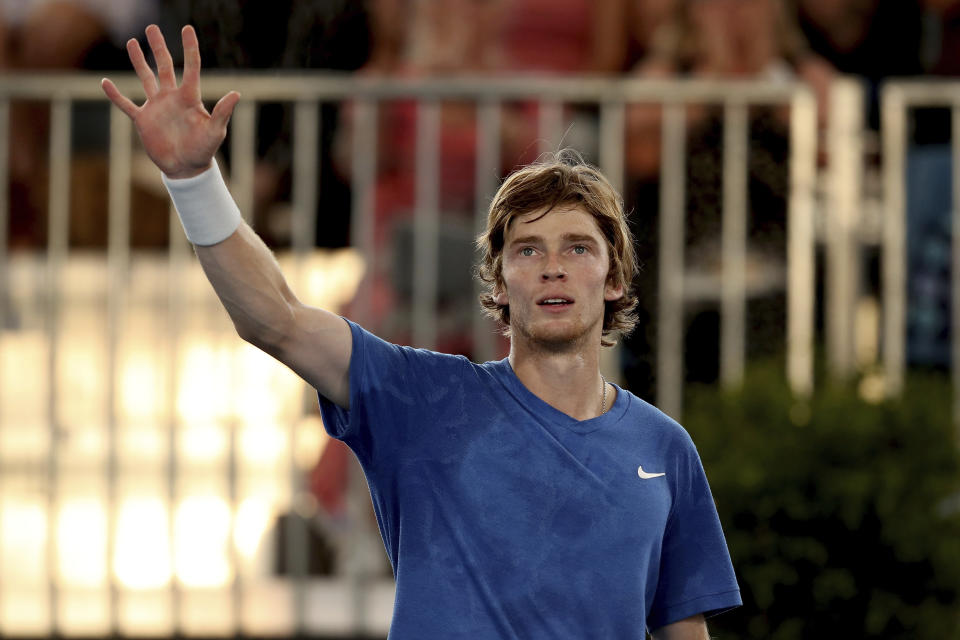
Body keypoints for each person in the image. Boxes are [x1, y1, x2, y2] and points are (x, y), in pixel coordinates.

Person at [101, 24, 741, 639]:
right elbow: (275, 318)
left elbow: (683, 630)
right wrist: (193, 182)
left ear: (615, 281)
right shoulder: (424, 397)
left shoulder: (666, 450)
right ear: (496, 286)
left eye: (578, 248)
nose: (552, 265)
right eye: (527, 250)